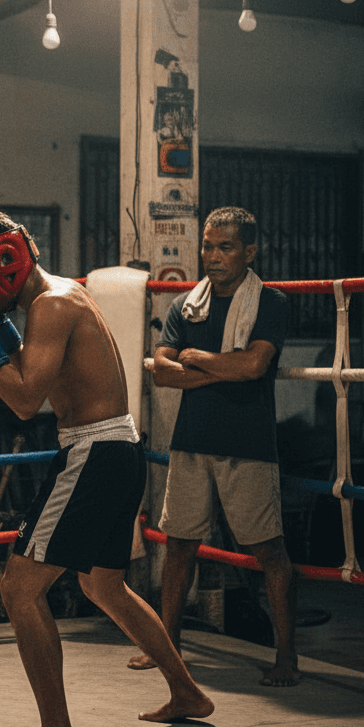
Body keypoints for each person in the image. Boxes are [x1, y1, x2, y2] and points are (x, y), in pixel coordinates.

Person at [0, 212, 213, 727]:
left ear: (4, 265)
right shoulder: (57, 298)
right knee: (105, 587)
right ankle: (187, 693)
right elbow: (43, 373)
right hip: (117, 450)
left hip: (93, 454)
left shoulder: (52, 306)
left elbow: (26, 400)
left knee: (19, 589)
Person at [127, 207, 297, 687]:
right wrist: (225, 365)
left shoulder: (270, 303)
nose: (213, 256)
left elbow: (253, 367)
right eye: (207, 246)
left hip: (248, 444)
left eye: (225, 247)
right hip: (192, 442)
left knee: (269, 551)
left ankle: (287, 658)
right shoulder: (185, 305)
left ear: (250, 251)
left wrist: (198, 361)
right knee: (179, 545)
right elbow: (161, 372)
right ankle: (169, 648)